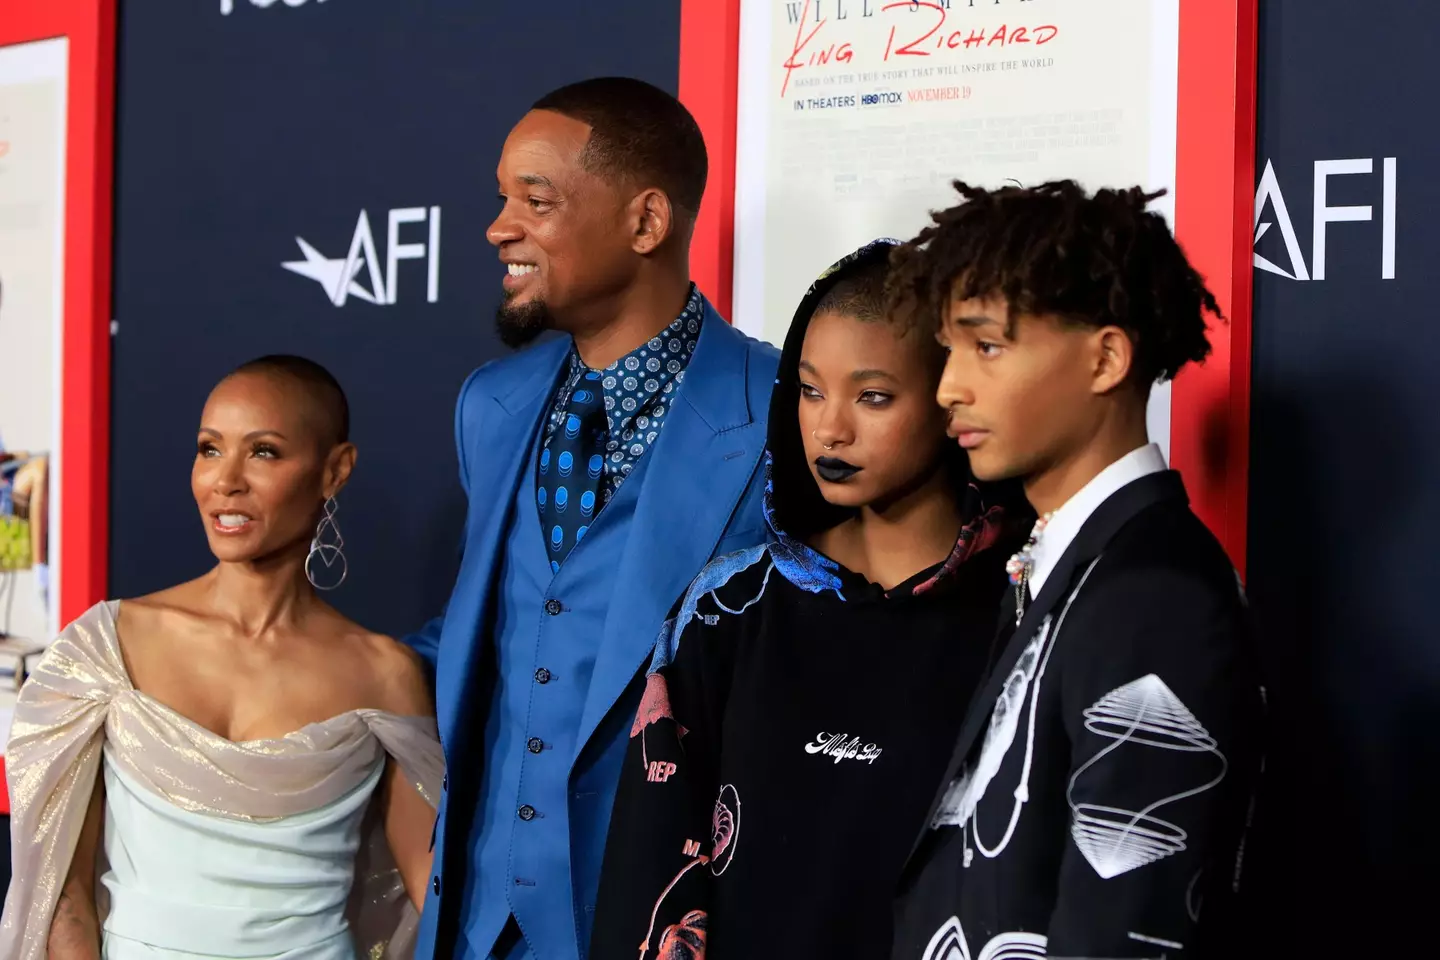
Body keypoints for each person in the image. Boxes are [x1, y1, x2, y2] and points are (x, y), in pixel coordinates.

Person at [403, 78, 779, 960]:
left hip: (664, 923)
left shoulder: (781, 412)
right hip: (475, 928)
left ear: (646, 223)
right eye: (502, 198)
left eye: (535, 200)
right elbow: (495, 633)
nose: (500, 226)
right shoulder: (489, 407)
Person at [587, 241, 1028, 960]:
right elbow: (652, 872)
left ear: (954, 395)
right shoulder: (729, 607)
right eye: (810, 390)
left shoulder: (1027, 608)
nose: (831, 428)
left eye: (873, 396)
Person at [885, 181, 1263, 959]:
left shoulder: (1153, 593)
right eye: (949, 348)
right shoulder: (1067, 560)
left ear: (1106, 358)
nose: (950, 386)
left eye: (987, 346)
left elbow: (1133, 921)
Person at [0, 355, 443, 959]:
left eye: (263, 452)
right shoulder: (107, 649)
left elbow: (434, 898)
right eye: (210, 449)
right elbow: (63, 895)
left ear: (335, 470)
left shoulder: (385, 674)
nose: (225, 480)